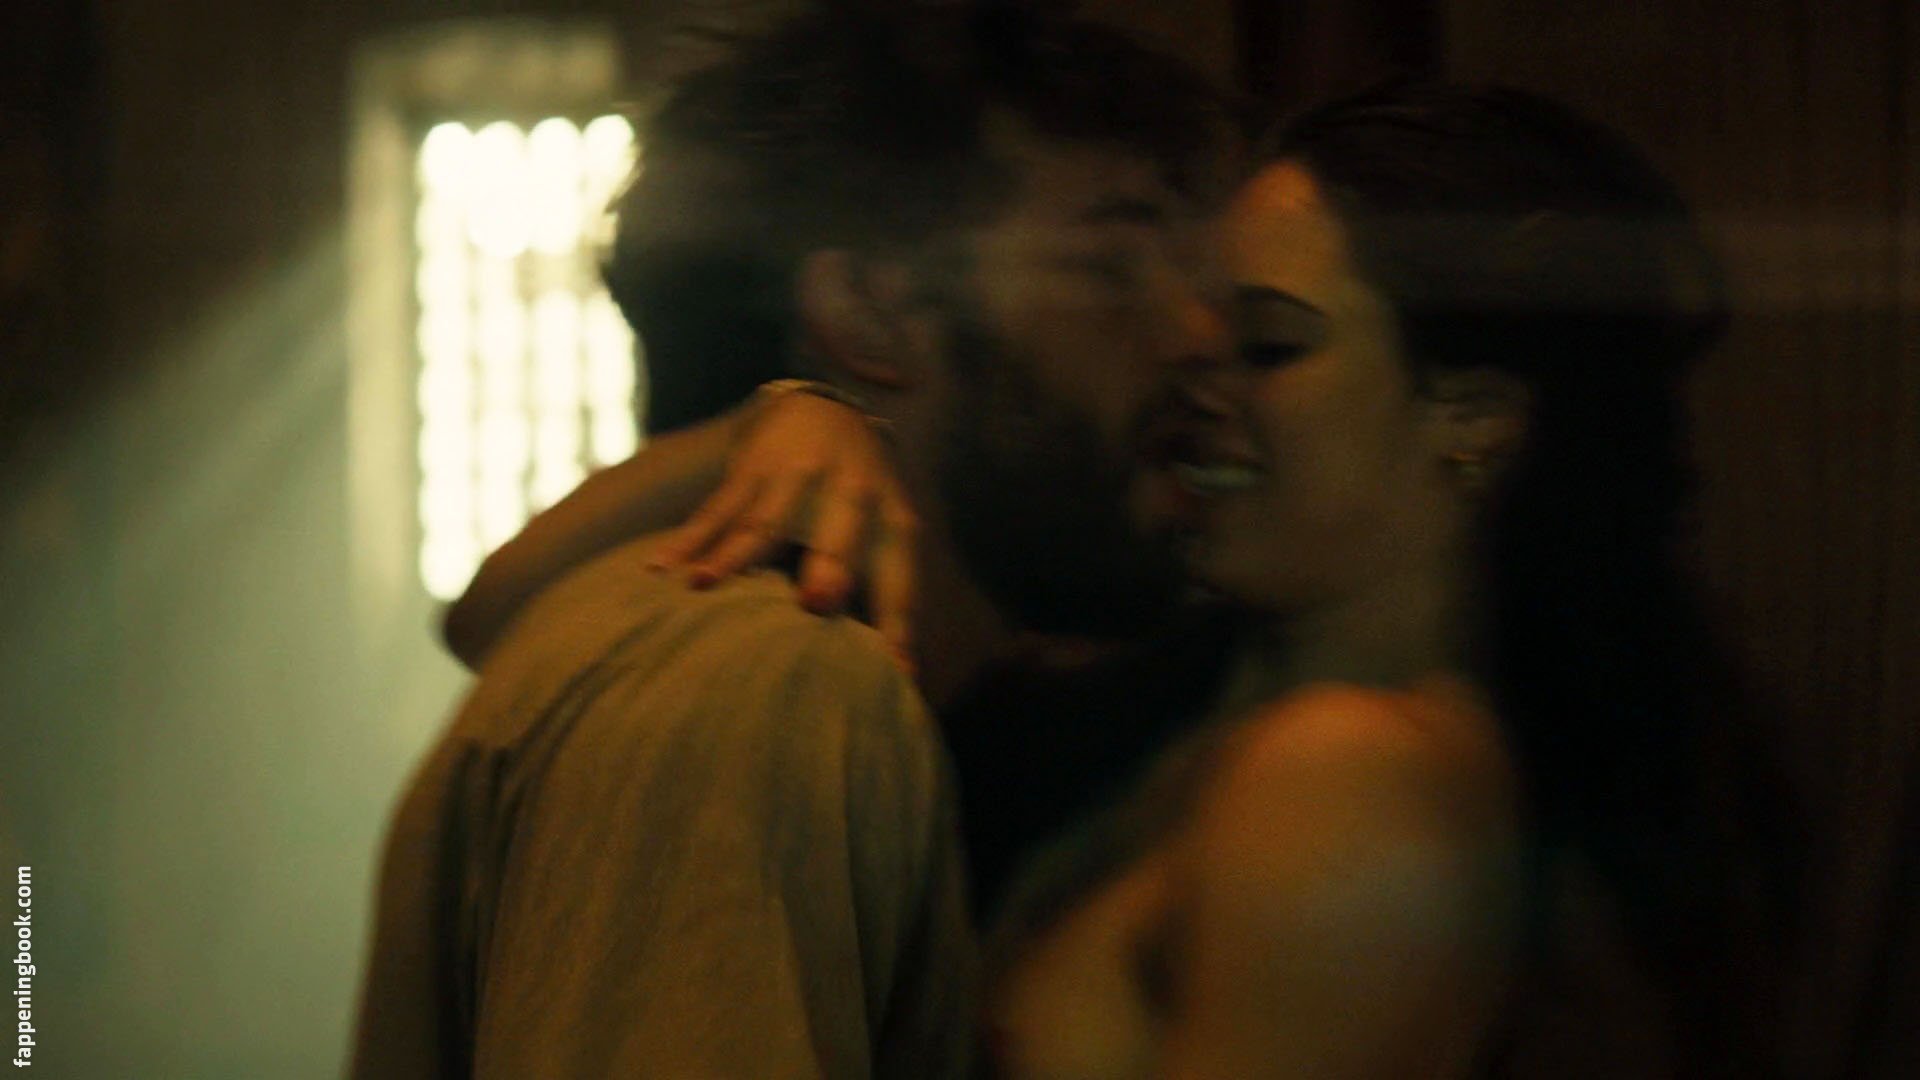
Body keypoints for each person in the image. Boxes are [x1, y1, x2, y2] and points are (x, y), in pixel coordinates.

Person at [459, 82, 1803, 1076]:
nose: (1192, 375)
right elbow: (491, 614)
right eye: (1193, 328)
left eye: (1267, 346)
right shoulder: (1189, 705)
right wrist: (787, 421)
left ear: (1472, 423)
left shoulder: (1355, 774)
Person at [349, 4, 1233, 1077]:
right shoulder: (765, 676)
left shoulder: (796, 667)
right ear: (867, 313)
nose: (1202, 335)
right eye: (1113, 262)